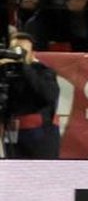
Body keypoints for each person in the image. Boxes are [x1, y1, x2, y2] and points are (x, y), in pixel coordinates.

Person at [0, 31, 60, 159]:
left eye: (22, 51)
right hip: (12, 132)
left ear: (32, 54)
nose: (17, 54)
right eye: (13, 50)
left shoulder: (44, 72)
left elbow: (48, 95)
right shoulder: (5, 72)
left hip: (40, 135)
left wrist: (24, 67)